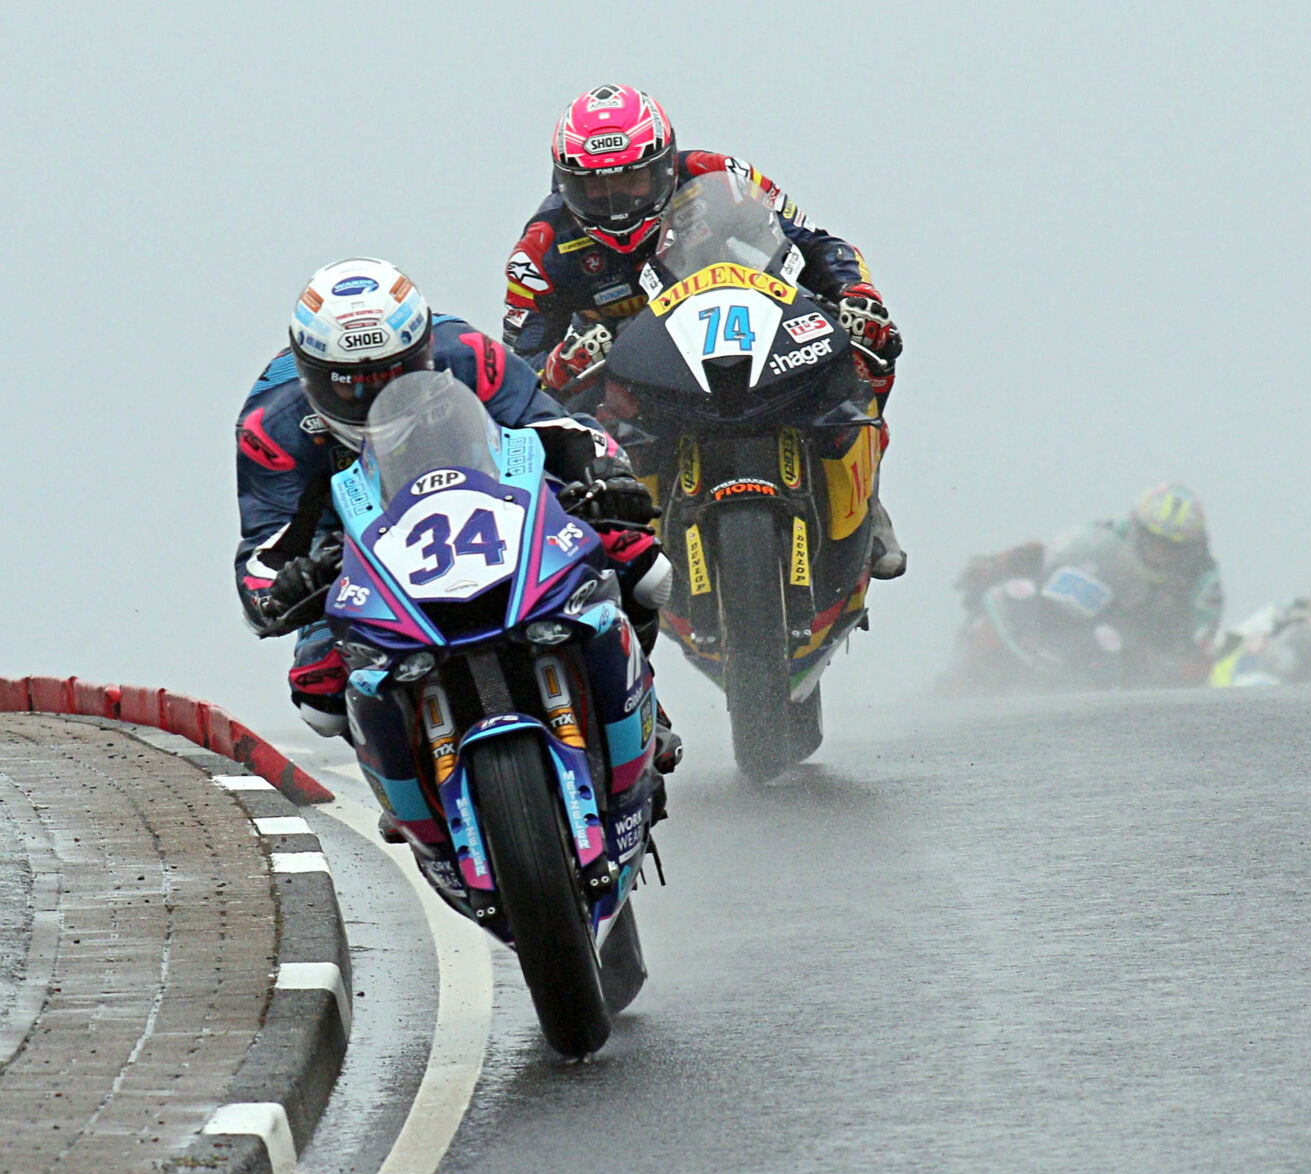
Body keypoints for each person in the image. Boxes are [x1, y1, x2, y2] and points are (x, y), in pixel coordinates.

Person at [235, 257, 680, 770]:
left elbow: (555, 428)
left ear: (422, 352)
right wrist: (286, 586)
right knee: (321, 697)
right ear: (313, 376)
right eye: (351, 385)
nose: (377, 396)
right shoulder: (273, 428)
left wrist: (606, 475)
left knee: (641, 562)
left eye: (395, 375)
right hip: (355, 549)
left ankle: (640, 694)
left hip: (494, 503)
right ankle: (411, 783)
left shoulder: (468, 355)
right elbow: (263, 552)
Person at [499, 83, 908, 579]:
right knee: (557, 439)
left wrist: (855, 293)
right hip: (636, 374)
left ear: (666, 163)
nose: (618, 202)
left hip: (745, 326)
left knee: (867, 348)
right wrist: (562, 364)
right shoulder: (540, 249)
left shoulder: (723, 176)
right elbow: (516, 374)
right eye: (596, 189)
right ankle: (611, 551)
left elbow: (816, 242)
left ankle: (866, 494)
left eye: (634, 181)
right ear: (565, 184)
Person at [950, 483, 1226, 689]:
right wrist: (1003, 562)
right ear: (1136, 529)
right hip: (1081, 618)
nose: (1160, 553)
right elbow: (1055, 548)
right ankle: (955, 683)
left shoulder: (1205, 585)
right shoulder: (1111, 531)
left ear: (1192, 546)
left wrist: (1164, 667)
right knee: (1011, 598)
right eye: (1153, 541)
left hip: (1137, 649)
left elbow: (1200, 660)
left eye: (1171, 547)